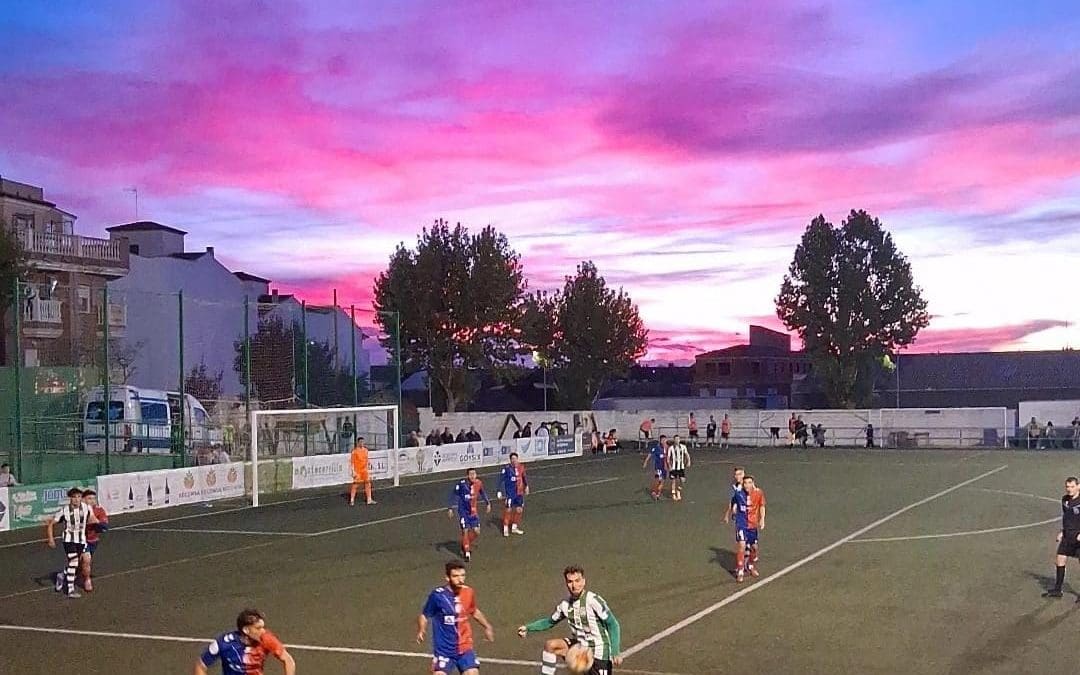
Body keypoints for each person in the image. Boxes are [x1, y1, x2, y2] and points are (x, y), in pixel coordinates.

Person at [517, 565, 622, 675]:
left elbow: (613, 624)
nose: (574, 585)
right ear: (566, 583)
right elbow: (549, 622)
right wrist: (528, 628)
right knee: (551, 645)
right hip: (579, 649)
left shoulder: (593, 601)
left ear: (584, 581)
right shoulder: (565, 605)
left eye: (577, 581)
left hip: (599, 654)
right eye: (570, 582)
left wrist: (615, 652)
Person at [417, 560, 495, 675]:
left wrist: (487, 626)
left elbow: (473, 611)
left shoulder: (468, 592)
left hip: (465, 647)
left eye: (462, 575)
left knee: (472, 673)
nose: (460, 579)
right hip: (444, 650)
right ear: (447, 577)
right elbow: (425, 614)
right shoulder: (437, 596)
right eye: (455, 576)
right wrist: (422, 629)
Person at [195, 608, 296, 675]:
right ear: (246, 630)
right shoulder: (223, 644)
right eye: (258, 628)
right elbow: (201, 666)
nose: (263, 631)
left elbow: (288, 660)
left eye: (263, 627)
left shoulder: (267, 639)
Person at [47, 487, 100, 599]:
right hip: (69, 540)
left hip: (81, 540)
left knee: (74, 564)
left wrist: (98, 523)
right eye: (74, 497)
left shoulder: (86, 508)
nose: (77, 499)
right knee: (74, 562)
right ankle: (70, 589)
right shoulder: (64, 510)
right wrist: (51, 538)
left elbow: (92, 518)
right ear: (70, 498)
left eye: (79, 497)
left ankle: (61, 575)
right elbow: (51, 523)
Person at [1044, 477, 1080, 598]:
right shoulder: (1065, 500)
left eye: (1072, 487)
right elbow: (1066, 517)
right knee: (1060, 559)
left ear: (1078, 486)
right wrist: (1062, 531)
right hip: (1068, 535)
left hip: (1078, 537)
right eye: (1067, 487)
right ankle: (1057, 590)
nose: (1069, 489)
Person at [448, 468, 491, 561]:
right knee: (465, 531)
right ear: (467, 475)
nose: (472, 476)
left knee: (477, 532)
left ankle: (465, 544)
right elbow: (454, 494)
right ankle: (467, 552)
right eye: (470, 474)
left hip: (473, 512)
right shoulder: (462, 484)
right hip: (463, 512)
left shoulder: (478, 483)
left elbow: (482, 492)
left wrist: (488, 503)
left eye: (474, 474)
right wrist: (450, 508)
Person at [730, 475, 766, 582]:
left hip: (752, 525)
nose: (747, 485)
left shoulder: (758, 493)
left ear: (753, 483)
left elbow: (762, 506)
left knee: (754, 547)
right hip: (741, 524)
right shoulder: (739, 494)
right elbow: (733, 503)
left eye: (749, 483)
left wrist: (762, 519)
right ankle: (740, 571)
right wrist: (733, 511)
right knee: (742, 545)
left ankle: (750, 565)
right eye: (745, 483)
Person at [79, 489, 109, 592]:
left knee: (81, 564)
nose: (92, 501)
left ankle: (64, 574)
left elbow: (104, 527)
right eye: (89, 498)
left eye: (93, 498)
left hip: (93, 540)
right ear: (83, 500)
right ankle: (87, 580)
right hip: (80, 540)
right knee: (86, 560)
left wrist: (97, 522)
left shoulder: (99, 510)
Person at [499, 452, 529, 537]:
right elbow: (501, 480)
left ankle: (514, 527)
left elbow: (524, 477)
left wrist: (526, 486)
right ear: (510, 460)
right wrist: (499, 491)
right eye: (512, 459)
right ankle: (505, 528)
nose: (514, 460)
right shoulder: (506, 469)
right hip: (510, 494)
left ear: (517, 459)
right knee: (508, 510)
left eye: (515, 459)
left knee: (519, 510)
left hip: (519, 493)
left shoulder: (521, 467)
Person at [349, 437, 375, 506]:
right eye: (360, 442)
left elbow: (366, 459)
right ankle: (352, 500)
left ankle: (369, 499)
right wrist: (353, 471)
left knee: (368, 483)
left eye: (362, 442)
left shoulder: (366, 450)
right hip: (358, 471)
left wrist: (369, 465)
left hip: (364, 470)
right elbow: (352, 462)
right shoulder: (354, 451)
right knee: (355, 485)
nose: (361, 443)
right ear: (358, 443)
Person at [641, 435, 668, 501]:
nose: (664, 441)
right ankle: (654, 492)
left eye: (665, 440)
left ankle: (657, 493)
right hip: (658, 467)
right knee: (659, 480)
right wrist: (645, 462)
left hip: (665, 467)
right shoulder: (656, 448)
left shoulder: (667, 447)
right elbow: (650, 454)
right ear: (660, 441)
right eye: (662, 440)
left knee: (662, 481)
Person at [666, 434, 690, 501]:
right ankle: (674, 494)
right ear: (674, 440)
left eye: (678, 439)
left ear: (679, 440)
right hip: (674, 467)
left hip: (681, 467)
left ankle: (678, 491)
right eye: (676, 439)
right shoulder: (671, 448)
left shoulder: (683, 447)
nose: (677, 440)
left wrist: (688, 461)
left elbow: (687, 454)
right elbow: (668, 458)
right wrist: (669, 466)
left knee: (682, 480)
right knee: (673, 481)